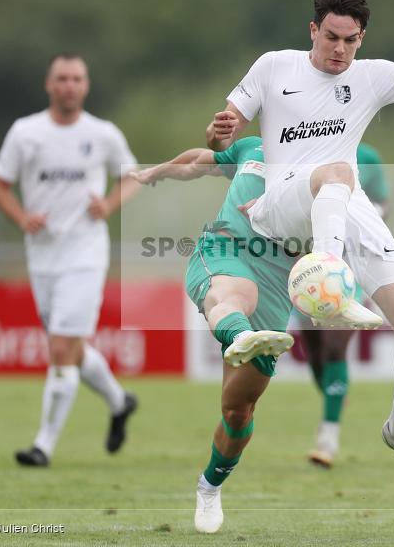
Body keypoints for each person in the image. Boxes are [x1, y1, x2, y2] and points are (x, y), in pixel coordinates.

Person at [206, 0, 394, 491]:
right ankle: (331, 287)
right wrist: (219, 132)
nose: (340, 50)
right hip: (281, 203)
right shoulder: (274, 66)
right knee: (337, 170)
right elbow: (224, 131)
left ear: (362, 38)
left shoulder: (371, 76)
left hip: (342, 202)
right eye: (332, 37)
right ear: (314, 30)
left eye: (351, 40)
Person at [132, 136, 296, 534]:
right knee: (237, 296)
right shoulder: (252, 148)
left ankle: (209, 487)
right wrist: (159, 171)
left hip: (279, 280)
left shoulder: (327, 164)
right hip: (225, 250)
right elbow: (198, 160)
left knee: (237, 411)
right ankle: (239, 333)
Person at [0, 53, 141, 467]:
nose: (70, 85)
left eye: (77, 78)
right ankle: (119, 401)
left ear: (86, 86)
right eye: (62, 78)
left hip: (85, 253)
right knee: (70, 349)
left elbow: (132, 176)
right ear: (49, 84)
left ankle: (43, 446)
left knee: (60, 348)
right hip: (42, 256)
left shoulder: (103, 133)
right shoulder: (25, 133)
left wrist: (108, 206)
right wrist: (23, 217)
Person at [300, 142, 389, 468]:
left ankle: (328, 438)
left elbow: (384, 203)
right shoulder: (299, 149)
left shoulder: (366, 157)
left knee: (334, 349)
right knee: (313, 353)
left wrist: (368, 213)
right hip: (307, 268)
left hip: (350, 267)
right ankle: (335, 394)